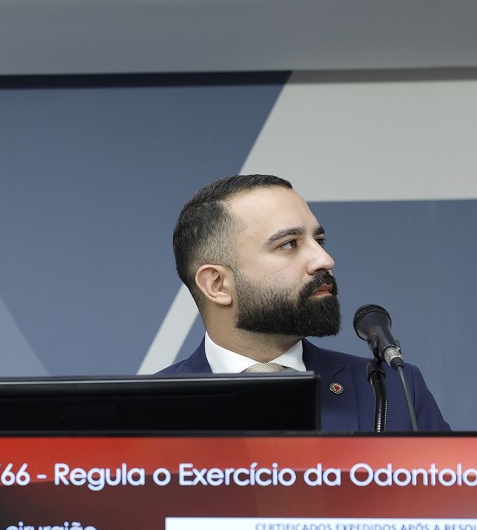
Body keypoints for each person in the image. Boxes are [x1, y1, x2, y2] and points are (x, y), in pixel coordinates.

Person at [158, 173, 449, 432]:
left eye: (319, 241)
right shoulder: (151, 410)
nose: (325, 260)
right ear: (217, 285)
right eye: (289, 244)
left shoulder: (392, 390)